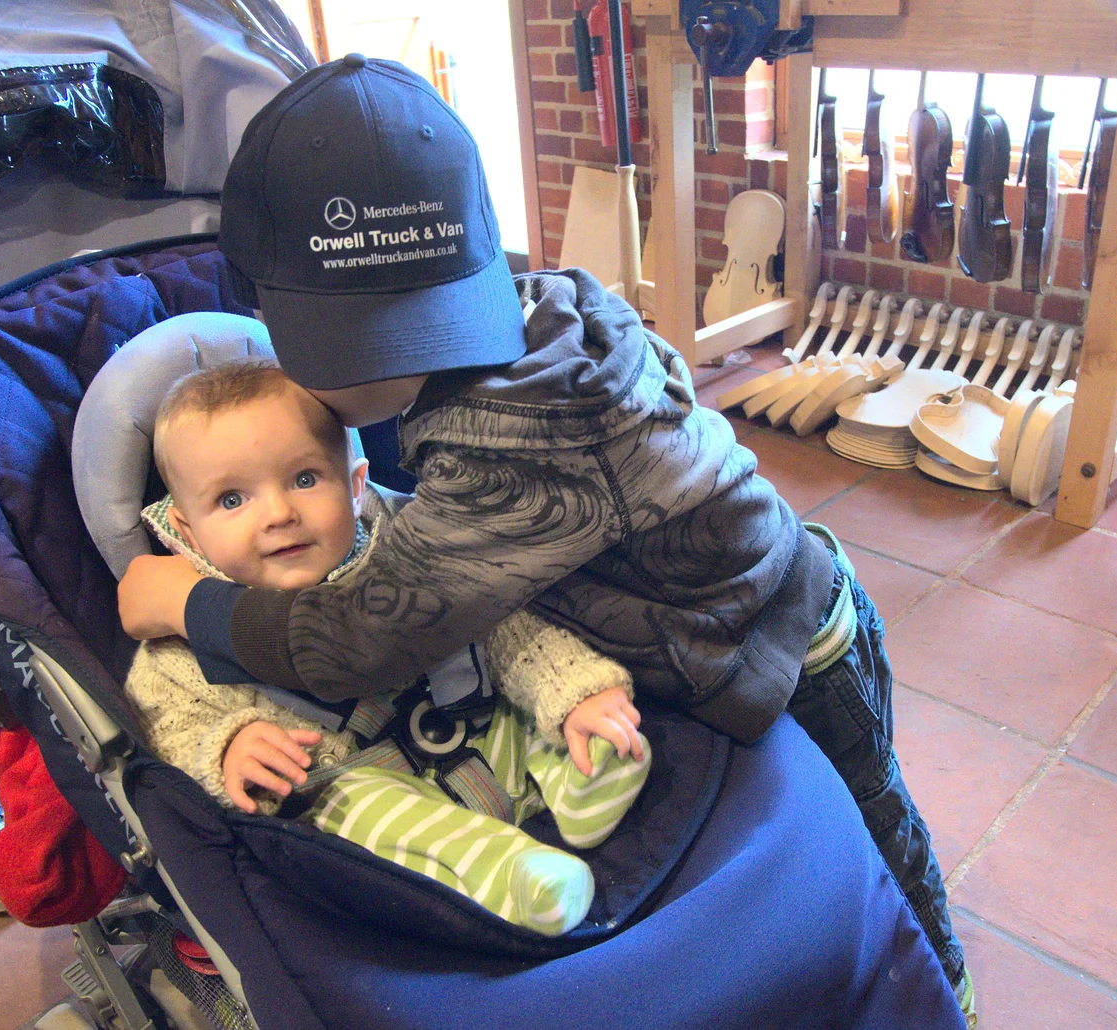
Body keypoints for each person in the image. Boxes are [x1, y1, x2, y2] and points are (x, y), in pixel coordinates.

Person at [117, 54, 975, 1023]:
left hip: (785, 639)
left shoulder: (503, 450)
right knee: (869, 824)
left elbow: (356, 638)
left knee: (874, 834)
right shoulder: (558, 314)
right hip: (752, 594)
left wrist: (184, 601)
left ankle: (944, 990)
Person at [122, 358, 651, 936]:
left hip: (476, 727)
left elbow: (506, 626)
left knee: (541, 708)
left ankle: (586, 775)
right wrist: (226, 748)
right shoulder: (180, 644)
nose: (278, 515)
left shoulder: (410, 547)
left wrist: (576, 693)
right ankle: (509, 873)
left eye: (304, 479)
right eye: (231, 500)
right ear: (187, 528)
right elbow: (166, 726)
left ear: (353, 484)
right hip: (371, 797)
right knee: (339, 806)